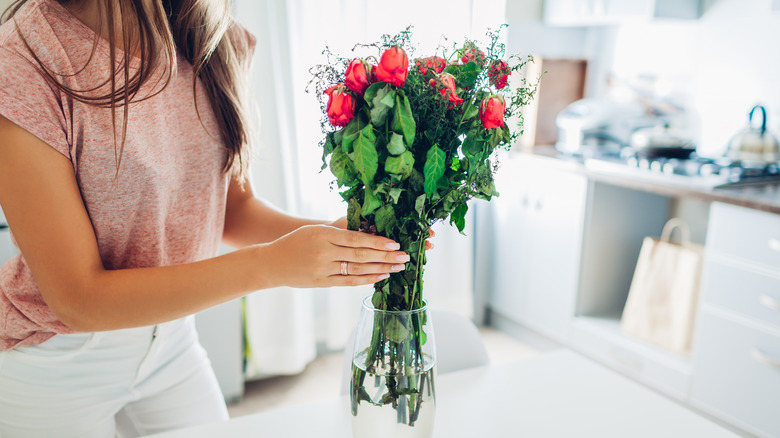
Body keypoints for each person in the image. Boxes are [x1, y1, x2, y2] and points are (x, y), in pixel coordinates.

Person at [0, 0, 429, 436]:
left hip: (171, 342)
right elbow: (78, 299)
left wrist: (333, 239)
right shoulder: (26, 58)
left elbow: (232, 210)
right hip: (55, 357)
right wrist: (271, 265)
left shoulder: (209, 34)